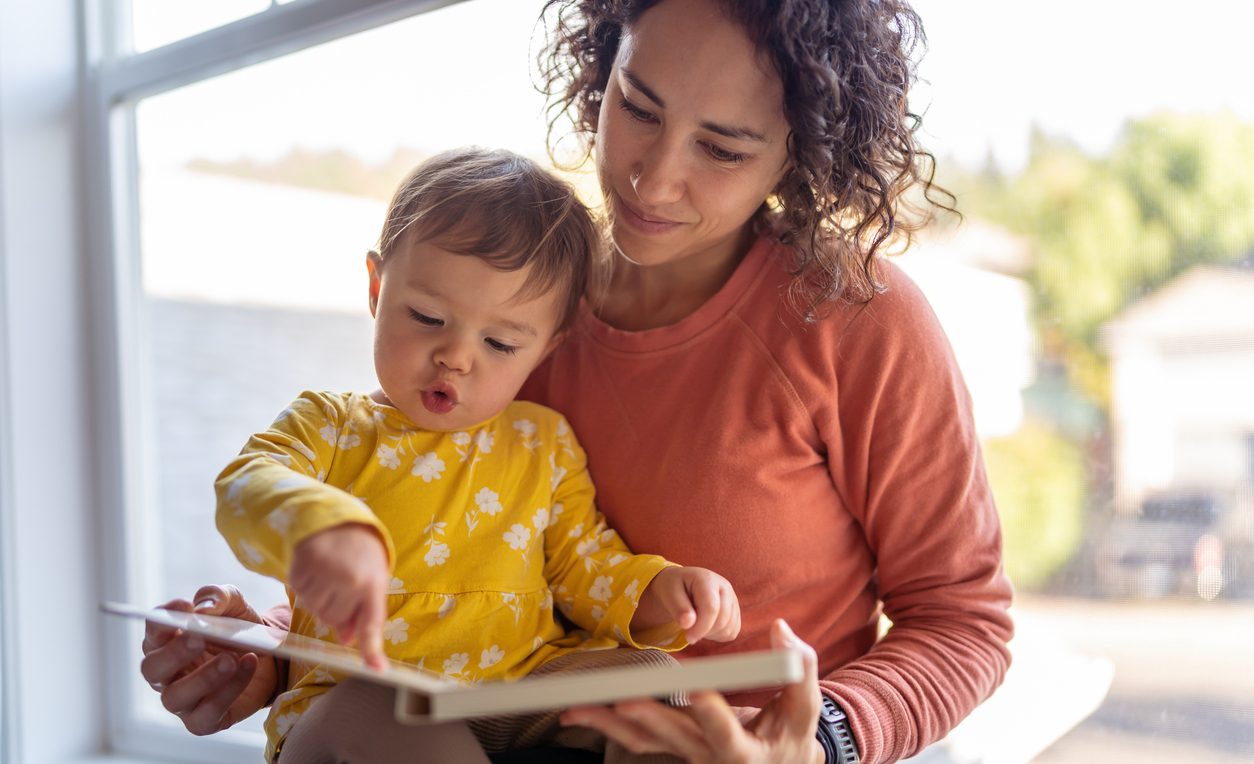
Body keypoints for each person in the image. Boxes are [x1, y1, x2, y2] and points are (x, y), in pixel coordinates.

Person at [140, 1, 1015, 762]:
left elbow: (965, 623)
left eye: (721, 148)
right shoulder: (514, 305)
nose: (653, 175)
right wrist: (264, 660)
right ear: (602, 66)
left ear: (799, 154)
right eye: (636, 106)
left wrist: (822, 737)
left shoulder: (858, 321)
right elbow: (442, 573)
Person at [201, 146, 742, 762]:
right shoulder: (331, 425)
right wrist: (318, 527)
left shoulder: (543, 442)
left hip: (521, 687)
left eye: (500, 342)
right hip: (366, 698)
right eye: (427, 316)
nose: (456, 356)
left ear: (545, 348)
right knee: (371, 710)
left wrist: (660, 593)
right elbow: (245, 482)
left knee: (654, 678)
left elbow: (584, 566)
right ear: (377, 288)